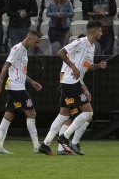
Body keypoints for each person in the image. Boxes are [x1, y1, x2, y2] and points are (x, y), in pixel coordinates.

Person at [38, 20, 107, 155]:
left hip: (71, 82)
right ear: (94, 31)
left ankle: (45, 144)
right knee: (88, 113)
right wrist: (74, 67)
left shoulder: (92, 47)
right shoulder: (80, 42)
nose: (101, 33)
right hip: (71, 81)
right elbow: (60, 52)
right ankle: (64, 137)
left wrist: (98, 66)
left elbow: (87, 66)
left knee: (64, 115)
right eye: (100, 30)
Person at [0, 30, 42, 154]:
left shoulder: (24, 50)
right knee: (31, 113)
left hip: (16, 85)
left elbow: (19, 70)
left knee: (9, 115)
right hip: (16, 87)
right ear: (29, 38)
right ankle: (36, 146)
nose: (36, 45)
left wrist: (31, 81)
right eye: (36, 42)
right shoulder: (17, 49)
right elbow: (5, 66)